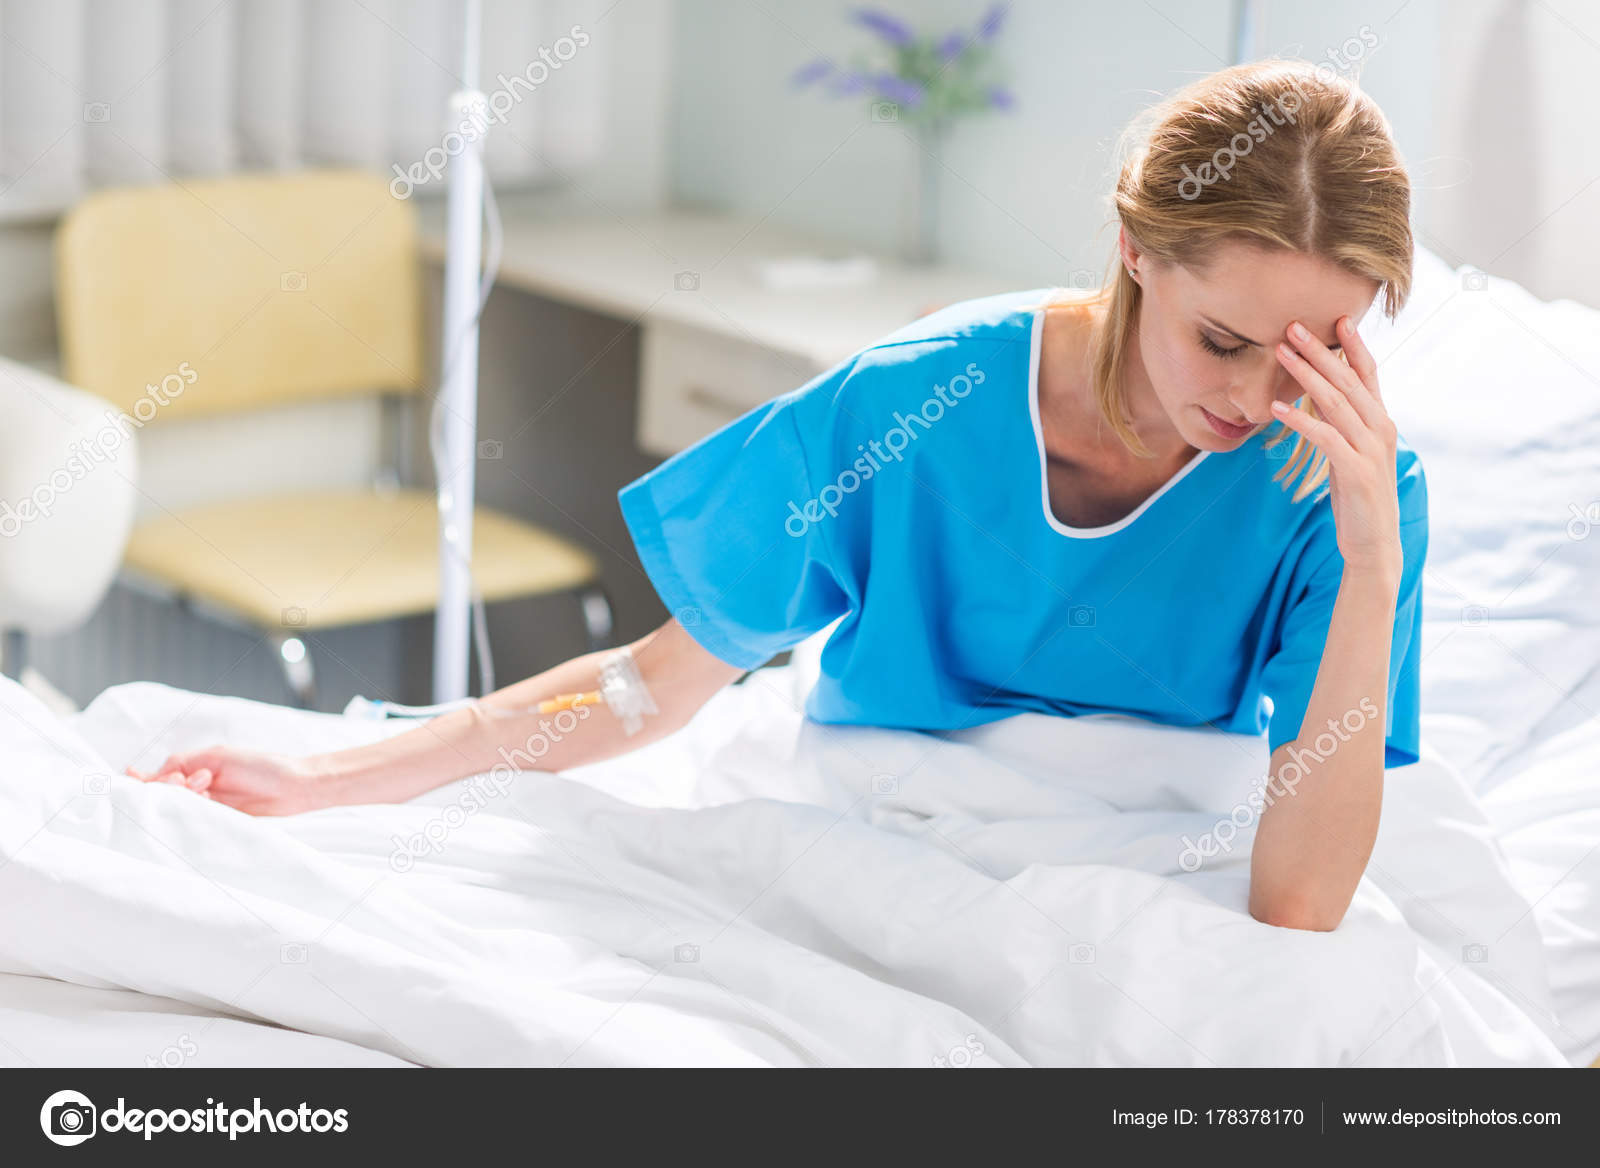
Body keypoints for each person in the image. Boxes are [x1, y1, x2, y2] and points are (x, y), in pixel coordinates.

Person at [130, 60, 1425, 933]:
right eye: (1224, 341)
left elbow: (1299, 906)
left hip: (1150, 863)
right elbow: (653, 687)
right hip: (888, 831)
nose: (1261, 403)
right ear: (1137, 253)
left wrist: (1369, 571)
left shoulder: (1348, 487)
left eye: (1319, 351)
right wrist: (333, 779)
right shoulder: (922, 403)